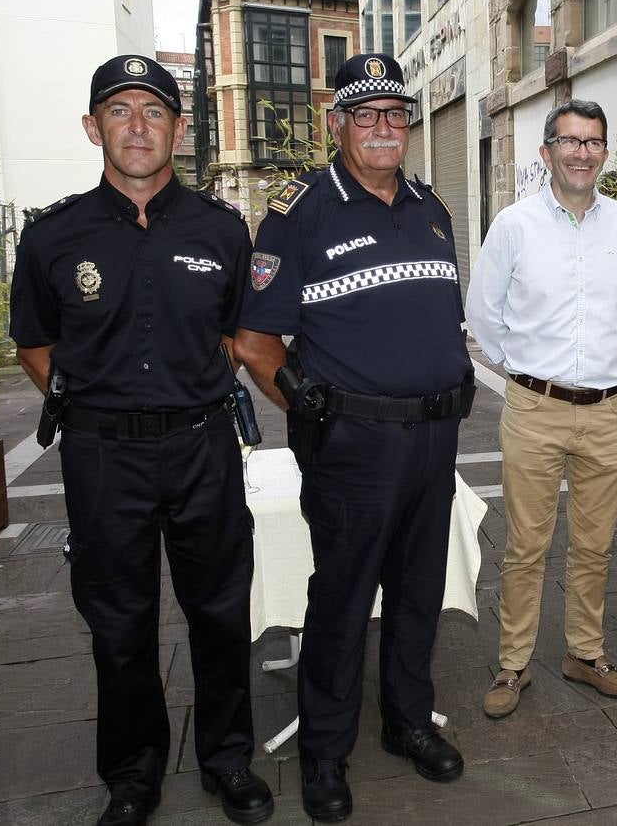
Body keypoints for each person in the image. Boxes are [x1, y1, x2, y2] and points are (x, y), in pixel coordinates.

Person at [9, 55, 272, 826]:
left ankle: (228, 760)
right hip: (103, 458)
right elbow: (34, 343)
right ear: (93, 127)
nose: (136, 125)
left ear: (179, 130)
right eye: (118, 111)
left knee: (221, 613)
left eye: (154, 111)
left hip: (202, 450)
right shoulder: (54, 235)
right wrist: (100, 406)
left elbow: (235, 331)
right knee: (120, 623)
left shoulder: (223, 229)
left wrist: (184, 390)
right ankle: (132, 775)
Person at [233, 52, 473, 821]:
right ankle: (324, 753)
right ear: (338, 123)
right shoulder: (299, 212)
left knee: (416, 592)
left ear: (408, 125)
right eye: (365, 115)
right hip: (353, 447)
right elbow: (254, 342)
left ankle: (407, 723)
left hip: (435, 441)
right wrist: (310, 416)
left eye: (394, 115)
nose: (382, 128)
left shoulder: (431, 206)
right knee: (340, 598)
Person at [466, 100, 617, 718]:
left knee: (595, 544)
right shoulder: (514, 225)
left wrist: (590, 366)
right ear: (546, 153)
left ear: (603, 153)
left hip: (606, 409)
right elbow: (483, 313)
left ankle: (584, 653)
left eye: (593, 142)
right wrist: (525, 366)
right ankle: (513, 665)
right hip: (534, 409)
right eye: (569, 141)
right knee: (526, 545)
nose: (582, 153)